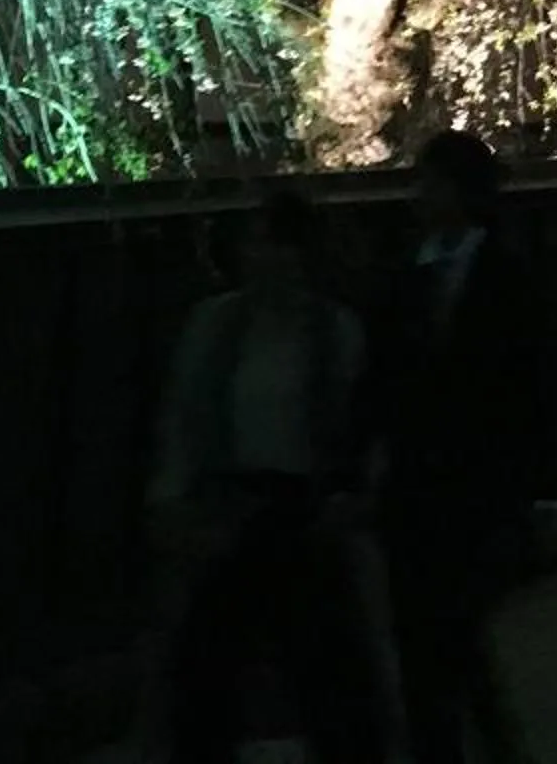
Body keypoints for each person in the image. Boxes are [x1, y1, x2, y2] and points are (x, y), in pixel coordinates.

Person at [143, 189, 398, 764]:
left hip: (305, 511)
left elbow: (364, 424)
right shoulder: (213, 324)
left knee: (325, 672)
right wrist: (170, 496)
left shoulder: (335, 332)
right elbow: (183, 416)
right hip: (229, 504)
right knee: (206, 670)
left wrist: (353, 496)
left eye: (277, 246)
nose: (264, 259)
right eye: (257, 245)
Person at [374, 130, 545, 764]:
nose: (421, 197)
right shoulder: (411, 274)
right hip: (415, 487)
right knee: (436, 636)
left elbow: (525, 389)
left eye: (433, 184)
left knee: (445, 632)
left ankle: (469, 744)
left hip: (471, 485)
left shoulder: (501, 275)